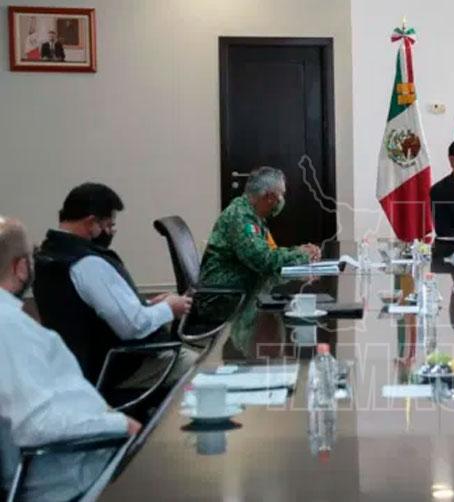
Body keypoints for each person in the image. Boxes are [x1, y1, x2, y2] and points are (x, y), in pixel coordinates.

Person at [0, 216, 139, 501]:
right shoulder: (9, 328)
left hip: (78, 457)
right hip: (74, 477)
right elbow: (35, 426)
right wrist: (120, 425)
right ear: (21, 267)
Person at [33, 183, 194, 385]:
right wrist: (169, 308)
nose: (110, 232)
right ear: (91, 222)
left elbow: (90, 312)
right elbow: (133, 327)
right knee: (199, 365)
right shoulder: (89, 264)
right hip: (116, 368)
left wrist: (148, 305)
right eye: (108, 225)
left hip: (78, 366)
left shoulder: (49, 254)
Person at [199, 166, 321, 293]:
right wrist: (301, 254)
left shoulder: (253, 215)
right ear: (269, 196)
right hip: (224, 294)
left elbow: (268, 253)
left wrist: (297, 252)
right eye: (281, 194)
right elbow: (263, 261)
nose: (282, 200)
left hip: (240, 288)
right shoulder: (241, 217)